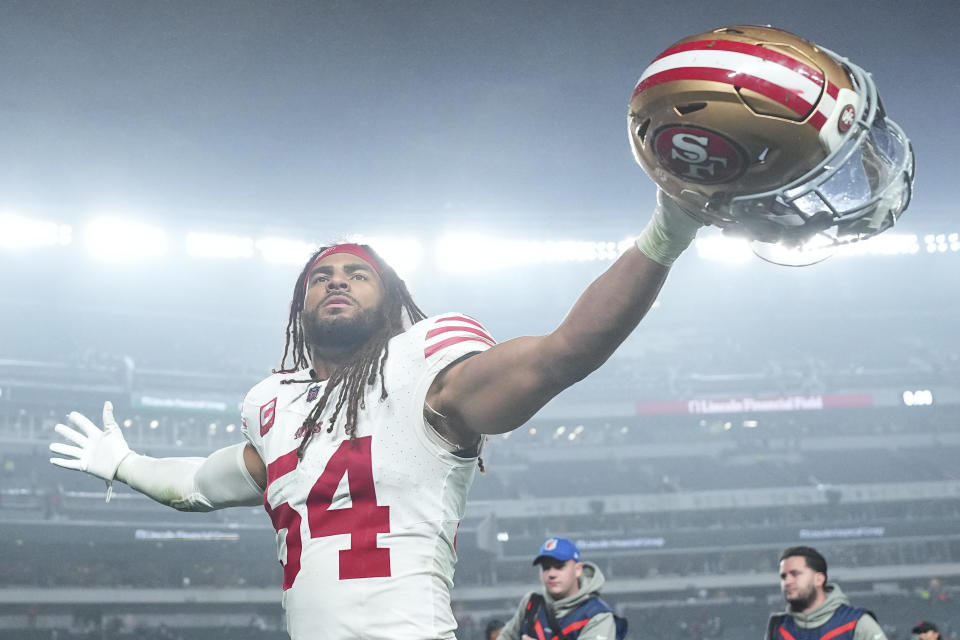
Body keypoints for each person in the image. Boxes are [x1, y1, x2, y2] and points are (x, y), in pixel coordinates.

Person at [47, 192, 701, 640]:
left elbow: (559, 356)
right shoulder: (271, 405)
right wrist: (125, 463)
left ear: (389, 301)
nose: (336, 280)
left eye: (357, 274)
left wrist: (665, 235)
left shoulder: (426, 364)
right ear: (300, 307)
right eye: (320, 275)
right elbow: (196, 485)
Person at [497, 537, 622, 640]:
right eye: (546, 567)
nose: (551, 574)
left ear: (578, 570)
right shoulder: (531, 603)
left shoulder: (598, 615)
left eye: (559, 566)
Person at [767, 546, 887, 640]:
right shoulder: (778, 627)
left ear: (819, 579)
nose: (787, 582)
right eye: (783, 576)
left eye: (795, 574)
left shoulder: (857, 623)